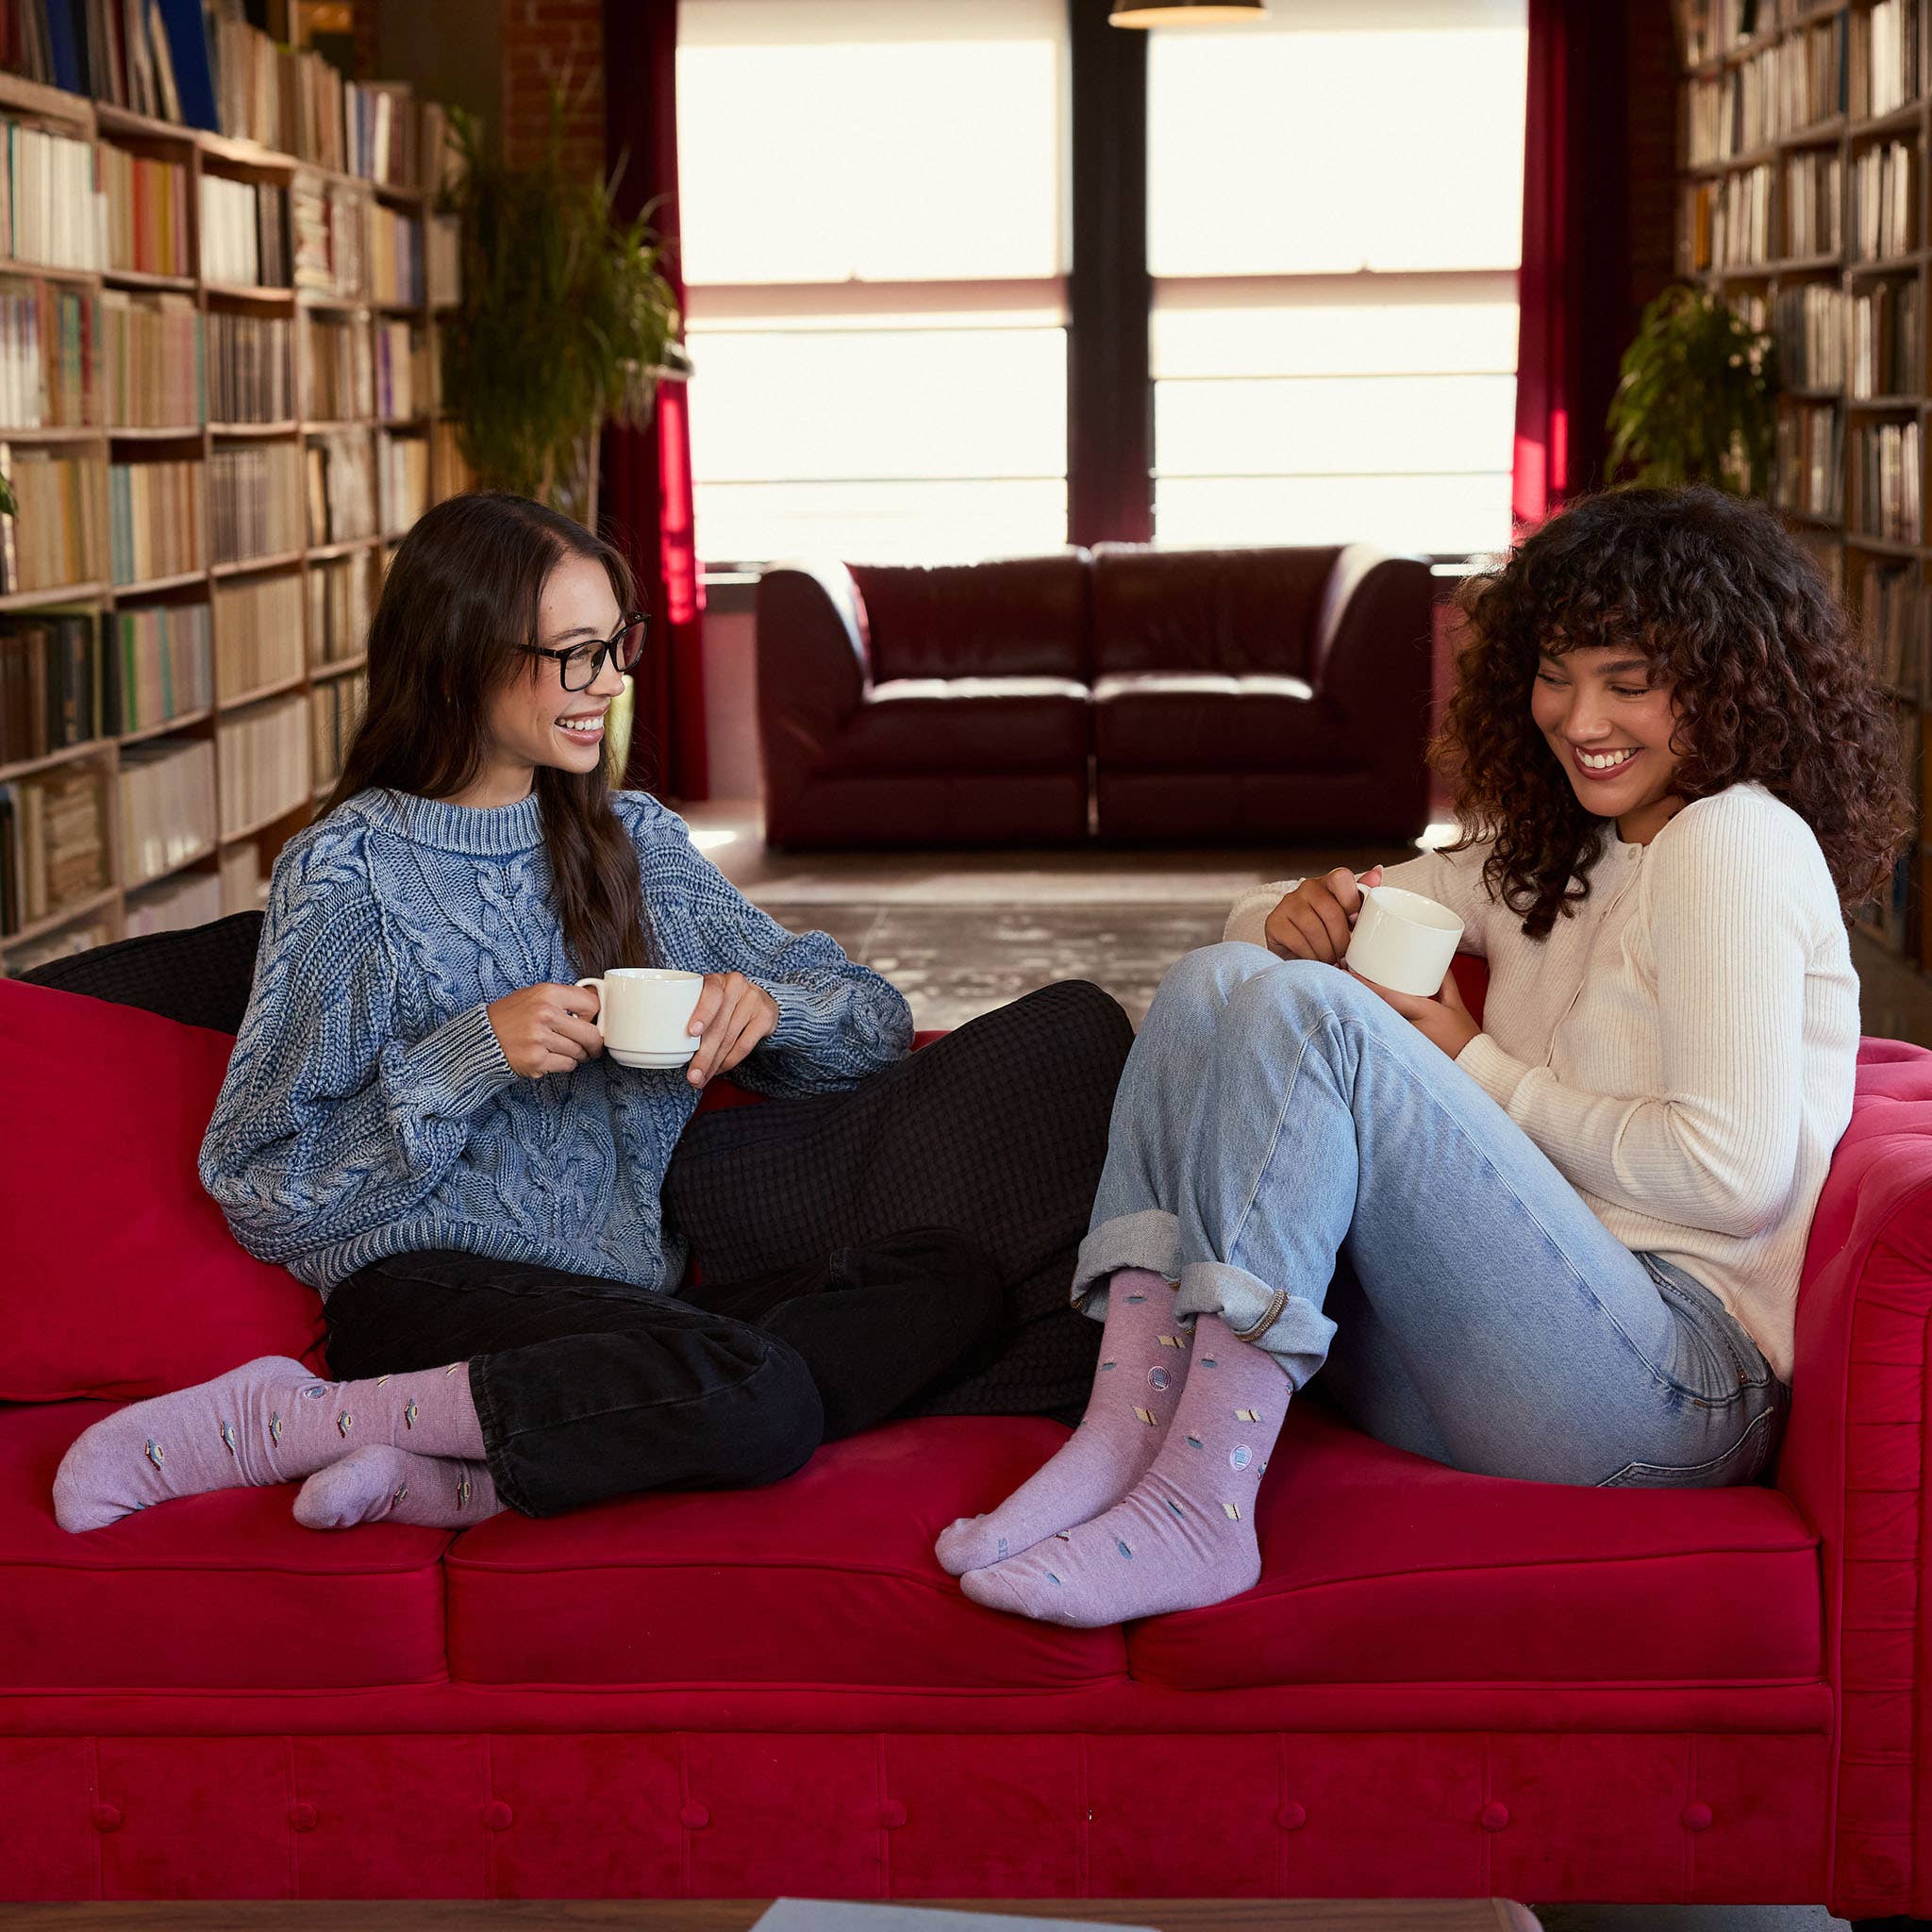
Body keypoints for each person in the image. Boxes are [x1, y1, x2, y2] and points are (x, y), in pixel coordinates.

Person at [53, 491, 1131, 1536]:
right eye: (573, 652)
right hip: (427, 1291)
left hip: (620, 1302)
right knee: (764, 1396)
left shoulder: (635, 842)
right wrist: (469, 1054)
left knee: (951, 1285)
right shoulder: (348, 873)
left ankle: (457, 1474)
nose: (609, 679)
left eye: (617, 643)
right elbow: (259, 1184)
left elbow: (874, 1021)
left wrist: (771, 1009)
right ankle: (295, 1418)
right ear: (459, 658)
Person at [938, 484, 1912, 1627]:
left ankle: (1202, 1506)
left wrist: (1473, 1064)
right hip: (1488, 1347)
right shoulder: (1565, 848)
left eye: (1627, 682)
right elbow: (1279, 923)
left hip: (1670, 1390)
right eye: (1556, 674)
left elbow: (1729, 1176)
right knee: (1220, 980)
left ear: (1725, 681)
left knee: (1317, 1018)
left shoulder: (1731, 840)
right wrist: (1290, 911)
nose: (1578, 717)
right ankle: (1124, 1435)